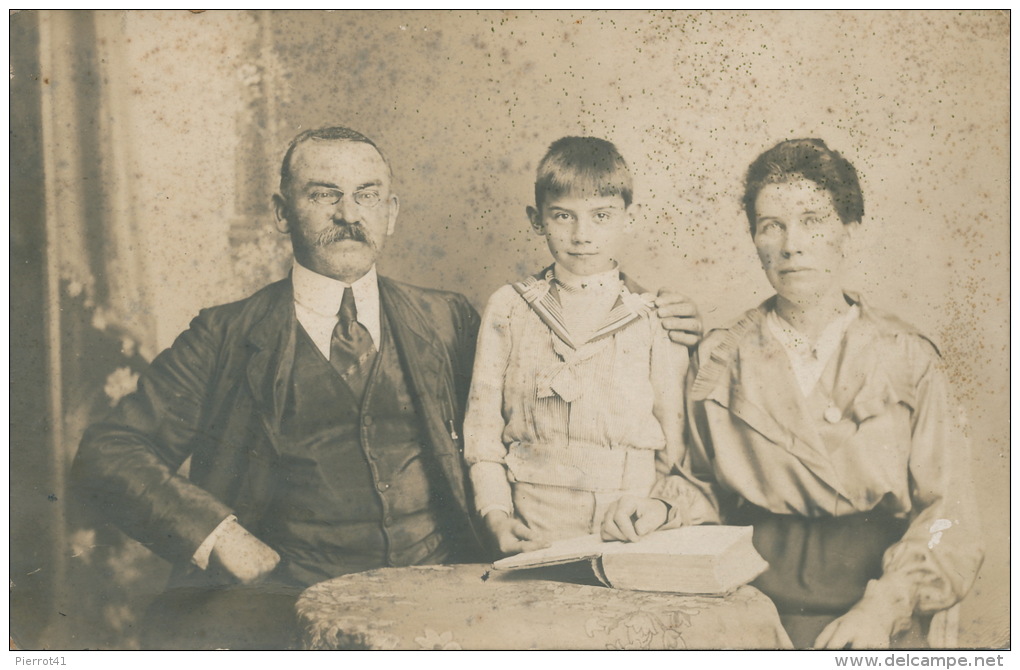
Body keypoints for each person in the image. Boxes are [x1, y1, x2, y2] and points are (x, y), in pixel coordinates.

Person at [72, 126, 705, 649]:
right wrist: (223, 537)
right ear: (280, 212)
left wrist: (653, 313)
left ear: (392, 213)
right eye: (325, 195)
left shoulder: (448, 319)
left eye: (368, 195)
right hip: (281, 608)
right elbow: (109, 453)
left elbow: (562, 351)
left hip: (445, 600)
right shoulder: (226, 334)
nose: (349, 215)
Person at [603, 139, 983, 649]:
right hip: (747, 599)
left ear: (850, 231)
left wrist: (884, 606)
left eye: (813, 220)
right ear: (755, 239)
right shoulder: (720, 356)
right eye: (771, 225)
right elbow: (702, 483)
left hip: (872, 602)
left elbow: (947, 514)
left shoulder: (908, 357)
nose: (791, 245)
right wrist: (662, 509)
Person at [463, 137, 718, 556]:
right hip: (533, 525)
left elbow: (677, 454)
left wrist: (653, 507)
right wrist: (496, 515)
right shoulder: (509, 309)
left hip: (627, 526)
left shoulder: (655, 317)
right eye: (563, 216)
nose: (582, 235)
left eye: (602, 216)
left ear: (628, 218)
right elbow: (482, 434)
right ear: (537, 219)